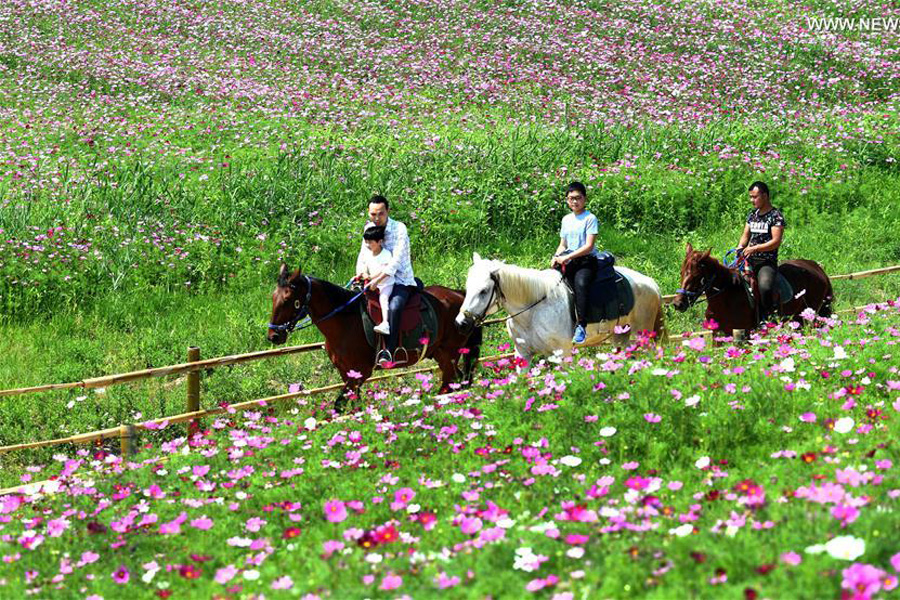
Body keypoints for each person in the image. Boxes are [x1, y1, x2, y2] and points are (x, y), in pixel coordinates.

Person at [355, 195, 416, 367]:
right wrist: (360, 274)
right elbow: (363, 254)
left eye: (380, 214)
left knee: (395, 306)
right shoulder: (369, 227)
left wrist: (377, 280)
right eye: (373, 214)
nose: (376, 218)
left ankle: (389, 350)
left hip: (399, 280)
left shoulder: (399, 229)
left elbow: (395, 261)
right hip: (374, 278)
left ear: (388, 211)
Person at [550, 181, 602, 344]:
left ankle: (581, 325)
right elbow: (563, 244)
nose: (574, 201)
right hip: (569, 259)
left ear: (584, 199)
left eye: (578, 198)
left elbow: (589, 246)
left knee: (580, 284)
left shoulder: (590, 218)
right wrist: (556, 256)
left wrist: (568, 257)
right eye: (571, 198)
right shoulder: (566, 219)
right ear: (567, 200)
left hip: (586, 261)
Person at [736, 181, 785, 322]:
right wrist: (740, 248)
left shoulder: (776, 216)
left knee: (765, 286)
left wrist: (755, 248)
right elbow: (745, 236)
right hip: (748, 260)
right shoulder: (752, 215)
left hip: (766, 262)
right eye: (750, 197)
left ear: (765, 196)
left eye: (755, 197)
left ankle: (769, 318)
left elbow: (775, 242)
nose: (752, 200)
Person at [359, 224, 393, 336]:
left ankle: (385, 323)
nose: (368, 245)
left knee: (383, 298)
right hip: (372, 283)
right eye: (366, 242)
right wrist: (364, 274)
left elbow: (385, 271)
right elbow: (364, 267)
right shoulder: (368, 254)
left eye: (371, 242)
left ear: (379, 242)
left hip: (385, 284)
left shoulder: (386, 254)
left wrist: (372, 278)